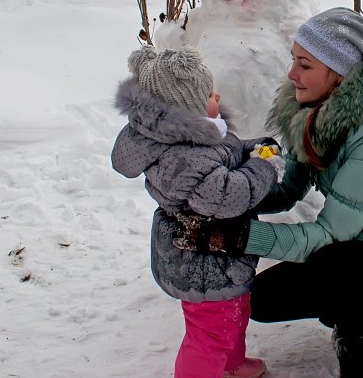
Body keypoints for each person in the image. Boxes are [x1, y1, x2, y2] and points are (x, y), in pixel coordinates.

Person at [174, 7, 363, 378]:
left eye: (305, 65)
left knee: (345, 273)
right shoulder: (314, 114)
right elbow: (287, 192)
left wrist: (240, 238)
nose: (292, 74)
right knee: (263, 300)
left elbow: (331, 234)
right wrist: (230, 192)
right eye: (293, 60)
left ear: (340, 74)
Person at [111, 45, 280, 378]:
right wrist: (264, 166)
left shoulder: (198, 139)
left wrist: (255, 148)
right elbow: (230, 195)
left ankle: (232, 363)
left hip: (217, 256)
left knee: (234, 312)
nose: (217, 94)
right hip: (204, 262)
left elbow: (228, 154)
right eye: (209, 92)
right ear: (188, 108)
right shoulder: (184, 159)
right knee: (211, 334)